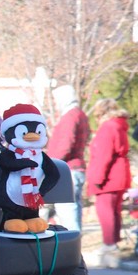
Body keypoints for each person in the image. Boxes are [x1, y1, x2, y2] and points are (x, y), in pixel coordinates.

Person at [85, 98, 132, 256]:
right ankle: (114, 241)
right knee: (114, 210)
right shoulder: (119, 125)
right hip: (119, 173)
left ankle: (109, 243)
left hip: (109, 176)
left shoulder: (108, 127)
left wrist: (97, 179)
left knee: (105, 209)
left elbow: (103, 155)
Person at [45, 85, 90, 231]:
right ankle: (75, 244)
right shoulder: (80, 114)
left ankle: (72, 247)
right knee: (74, 209)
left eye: (57, 99)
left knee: (67, 211)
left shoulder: (70, 116)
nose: (56, 103)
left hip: (68, 169)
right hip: (76, 167)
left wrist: (49, 164)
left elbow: (66, 144)